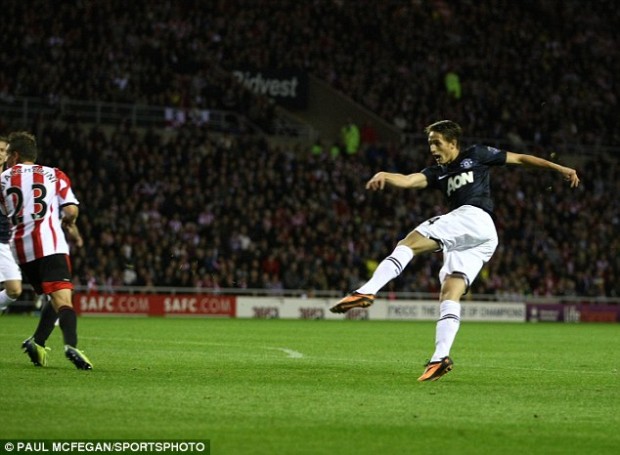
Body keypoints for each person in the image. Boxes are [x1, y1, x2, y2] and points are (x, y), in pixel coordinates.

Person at [330, 120, 580, 381]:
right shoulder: (437, 172)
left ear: (452, 143)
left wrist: (557, 167)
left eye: (437, 143)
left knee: (408, 244)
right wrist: (385, 175)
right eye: (429, 144)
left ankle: (366, 291)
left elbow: (520, 158)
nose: (432, 149)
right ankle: (440, 357)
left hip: (474, 217)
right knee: (450, 291)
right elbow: (409, 180)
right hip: (478, 239)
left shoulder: (477, 155)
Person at [0, 131, 92, 369]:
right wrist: (68, 222)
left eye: (7, 153)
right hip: (49, 244)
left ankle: (37, 341)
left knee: (52, 297)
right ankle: (71, 344)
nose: (6, 158)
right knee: (63, 299)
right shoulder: (54, 174)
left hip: (19, 249)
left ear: (15, 155)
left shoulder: (3, 178)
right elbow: (71, 210)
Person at [0, 136, 22, 312]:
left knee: (13, 290)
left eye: (2, 151)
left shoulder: (12, 179)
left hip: (6, 240)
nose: (0, 154)